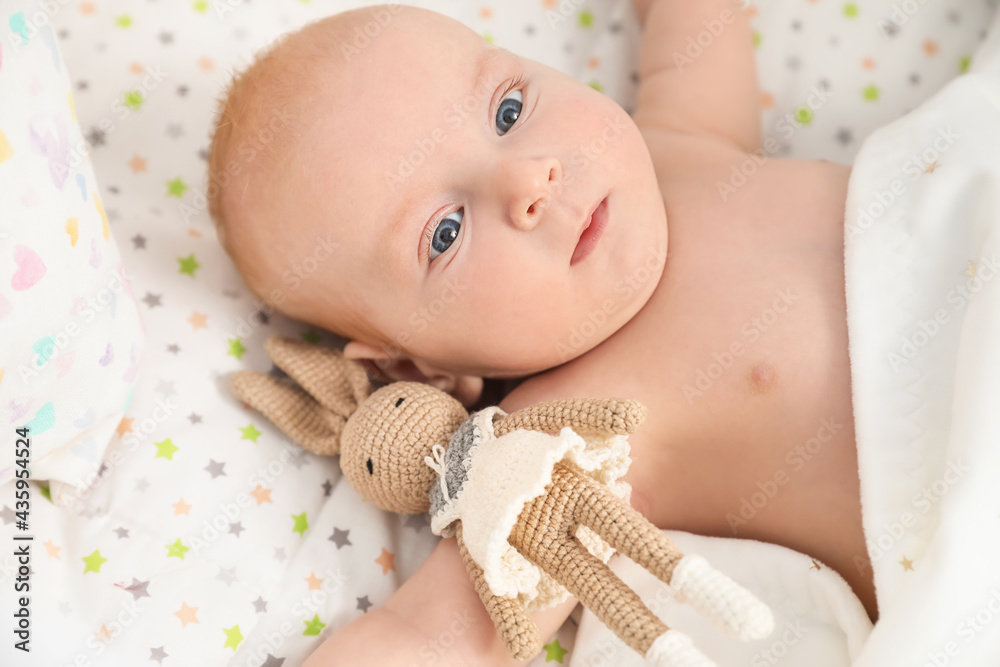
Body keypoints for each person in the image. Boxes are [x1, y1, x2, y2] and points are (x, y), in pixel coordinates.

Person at [206, 1, 873, 663]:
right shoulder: (560, 446)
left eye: (508, 111)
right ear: (417, 371)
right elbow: (435, 639)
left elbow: (699, 27)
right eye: (446, 231)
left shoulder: (678, 145)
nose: (530, 177)